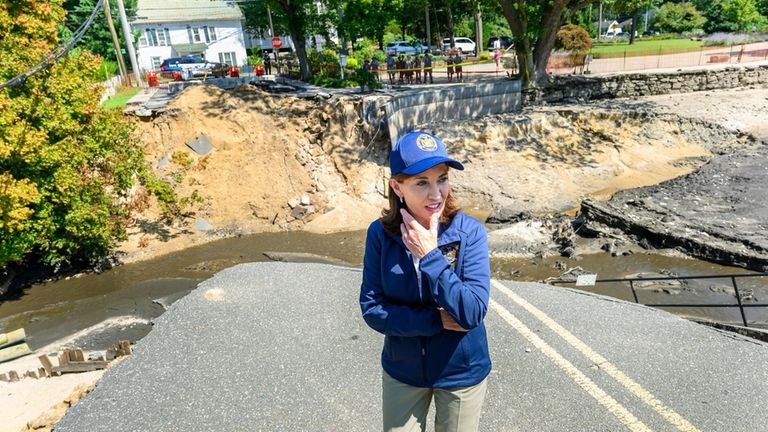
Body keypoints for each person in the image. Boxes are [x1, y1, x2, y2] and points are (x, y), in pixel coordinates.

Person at [360, 131, 491, 432]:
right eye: (422, 182)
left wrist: (430, 256)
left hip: (461, 372)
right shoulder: (380, 234)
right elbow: (372, 309)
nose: (436, 194)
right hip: (403, 371)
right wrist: (436, 320)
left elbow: (471, 313)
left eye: (442, 179)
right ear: (397, 186)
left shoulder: (469, 233)